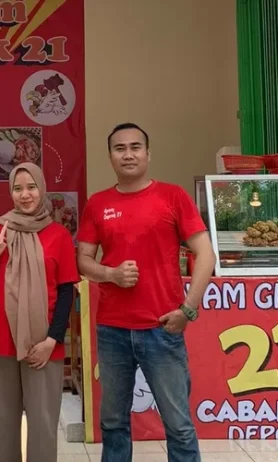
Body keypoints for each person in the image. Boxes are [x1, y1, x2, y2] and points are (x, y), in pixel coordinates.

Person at [77, 123, 216, 462]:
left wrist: (188, 310)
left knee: (178, 424)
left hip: (162, 328)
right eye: (120, 148)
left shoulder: (172, 196)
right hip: (112, 330)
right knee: (113, 422)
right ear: (110, 157)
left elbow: (206, 254)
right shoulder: (97, 203)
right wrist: (110, 274)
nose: (128, 154)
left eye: (135, 147)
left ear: (148, 154)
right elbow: (82, 260)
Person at [0, 162, 80, 462]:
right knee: (2, 425)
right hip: (1, 339)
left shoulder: (59, 235)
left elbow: (66, 291)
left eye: (31, 187)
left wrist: (52, 339)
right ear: (10, 192)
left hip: (43, 342)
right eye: (18, 188)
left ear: (42, 188)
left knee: (43, 425)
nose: (25, 194)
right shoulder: (0, 229)